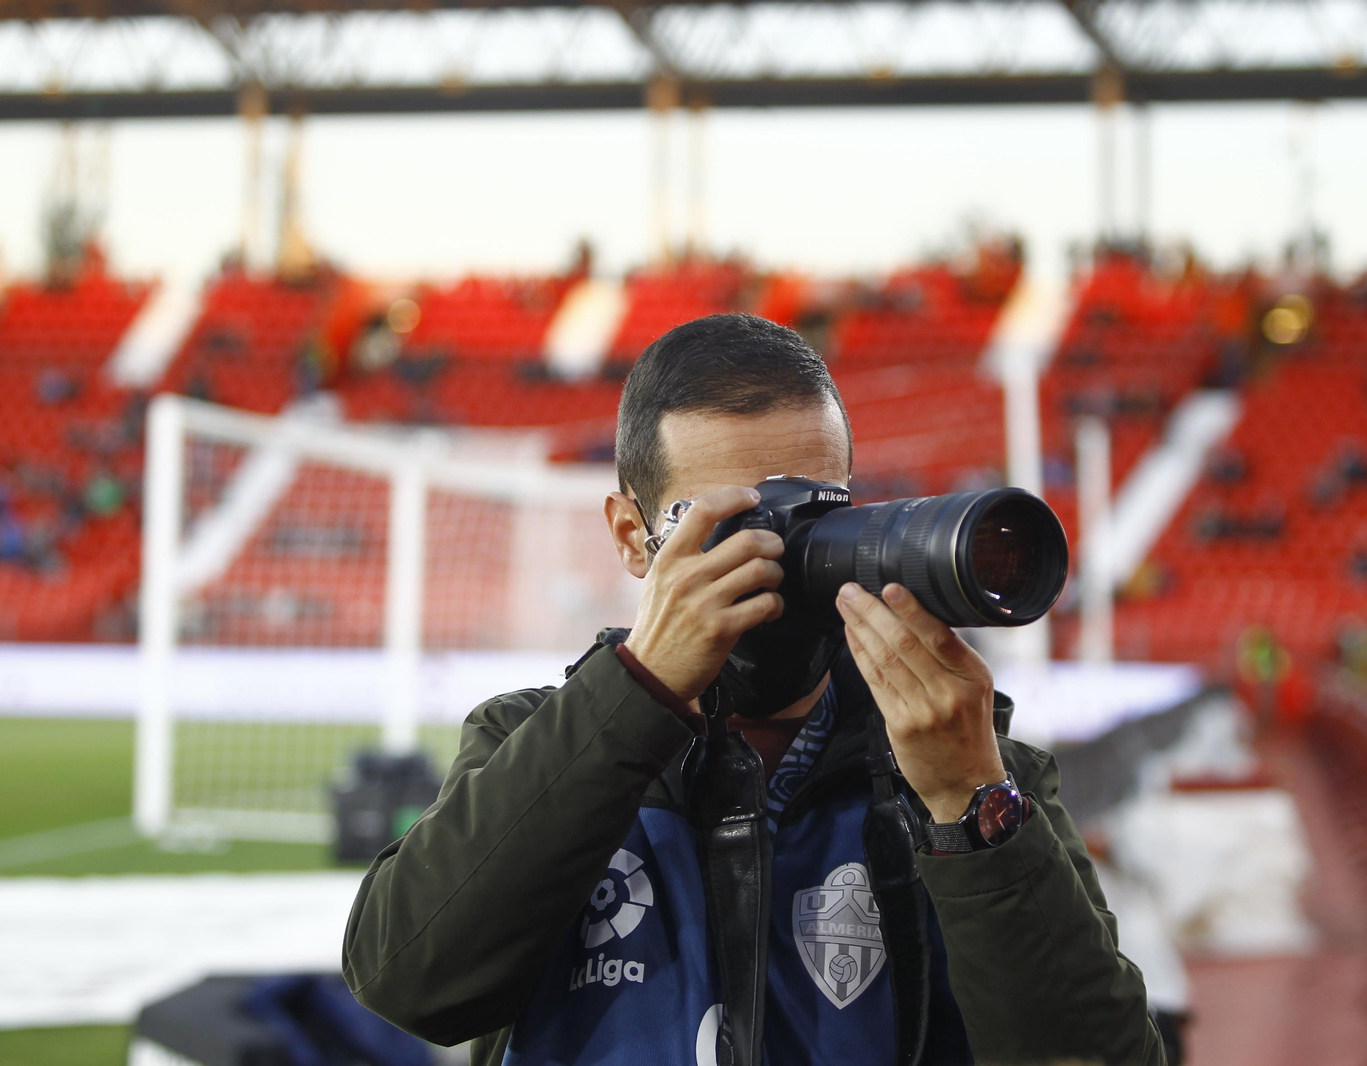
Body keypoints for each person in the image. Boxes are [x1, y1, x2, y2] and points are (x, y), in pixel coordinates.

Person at [342, 314, 1161, 1066]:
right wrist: (634, 694)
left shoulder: (964, 763)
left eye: (816, 514)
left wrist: (971, 806)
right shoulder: (530, 742)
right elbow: (407, 982)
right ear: (634, 536)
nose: (780, 554)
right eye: (735, 526)